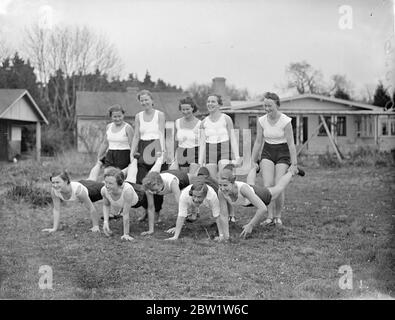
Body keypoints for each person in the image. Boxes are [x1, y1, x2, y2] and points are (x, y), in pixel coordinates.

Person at [217, 164, 305, 240]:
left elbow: (263, 208)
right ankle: (255, 167)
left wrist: (251, 225)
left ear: (233, 183)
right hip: (249, 195)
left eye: (225, 185)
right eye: (220, 185)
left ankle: (292, 171)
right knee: (250, 183)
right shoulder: (221, 192)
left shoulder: (243, 189)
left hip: (260, 195)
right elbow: (224, 215)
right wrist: (226, 237)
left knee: (278, 189)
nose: (222, 188)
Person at [250, 92, 298, 227]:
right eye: (265, 105)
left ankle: (278, 216)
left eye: (269, 105)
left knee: (279, 185)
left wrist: (294, 164)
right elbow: (258, 142)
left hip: (283, 152)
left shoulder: (285, 121)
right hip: (268, 151)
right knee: (267, 185)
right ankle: (270, 217)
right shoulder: (261, 121)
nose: (267, 108)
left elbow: (291, 144)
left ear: (277, 104)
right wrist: (253, 161)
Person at [129, 90, 166, 222]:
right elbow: (136, 136)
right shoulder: (138, 116)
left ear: (151, 100)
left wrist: (161, 154)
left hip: (156, 147)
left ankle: (157, 211)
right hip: (143, 148)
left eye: (146, 99)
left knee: (155, 181)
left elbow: (161, 134)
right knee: (142, 182)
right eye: (142, 100)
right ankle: (145, 210)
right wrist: (132, 152)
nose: (144, 102)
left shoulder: (159, 115)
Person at [100, 167, 155, 240]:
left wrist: (126, 234)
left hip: (139, 195)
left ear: (119, 184)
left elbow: (125, 214)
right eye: (106, 182)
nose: (107, 185)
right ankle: (133, 163)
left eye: (110, 183)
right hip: (126, 189)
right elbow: (106, 205)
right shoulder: (104, 190)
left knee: (149, 189)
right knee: (131, 177)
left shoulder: (127, 191)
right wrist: (105, 222)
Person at [198, 94, 241, 180]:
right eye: (208, 102)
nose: (210, 104)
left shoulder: (226, 119)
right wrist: (200, 161)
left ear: (219, 105)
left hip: (224, 149)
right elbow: (202, 143)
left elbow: (232, 139)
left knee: (224, 177)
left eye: (213, 101)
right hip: (210, 151)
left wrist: (237, 157)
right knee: (213, 180)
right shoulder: (203, 122)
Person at [141, 170, 191, 234]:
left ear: (159, 184)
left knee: (188, 200)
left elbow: (181, 205)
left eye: (155, 190)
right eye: (152, 191)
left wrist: (178, 227)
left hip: (184, 179)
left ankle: (194, 212)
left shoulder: (172, 182)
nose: (154, 193)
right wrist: (151, 230)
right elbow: (151, 208)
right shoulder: (149, 187)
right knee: (155, 196)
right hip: (167, 175)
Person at [93, 104, 134, 180]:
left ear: (123, 115)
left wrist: (133, 159)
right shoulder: (109, 126)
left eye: (119, 116)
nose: (117, 119)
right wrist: (99, 157)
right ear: (111, 117)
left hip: (124, 155)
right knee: (107, 177)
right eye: (115, 117)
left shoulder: (128, 128)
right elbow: (105, 143)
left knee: (119, 179)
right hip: (110, 155)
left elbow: (133, 145)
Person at [169, 97, 201, 175]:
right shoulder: (177, 122)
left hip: (195, 153)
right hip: (181, 153)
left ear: (192, 108)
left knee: (191, 178)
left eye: (187, 109)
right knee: (182, 179)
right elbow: (175, 142)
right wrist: (172, 158)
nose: (185, 112)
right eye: (183, 109)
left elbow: (202, 144)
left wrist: (201, 160)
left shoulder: (200, 123)